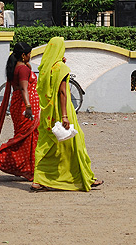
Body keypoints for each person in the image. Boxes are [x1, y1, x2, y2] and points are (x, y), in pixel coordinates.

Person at [31, 36, 103, 192]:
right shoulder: (61, 68)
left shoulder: (44, 68)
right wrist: (64, 116)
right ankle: (83, 177)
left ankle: (38, 179)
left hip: (47, 114)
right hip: (62, 110)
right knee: (76, 143)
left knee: (45, 146)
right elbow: (63, 92)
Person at [0, 42, 40, 181]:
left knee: (27, 139)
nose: (30, 57)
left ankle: (29, 169)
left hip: (18, 105)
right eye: (29, 54)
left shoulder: (19, 67)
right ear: (23, 55)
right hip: (24, 107)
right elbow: (23, 89)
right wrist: (28, 107)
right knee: (23, 138)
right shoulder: (22, 70)